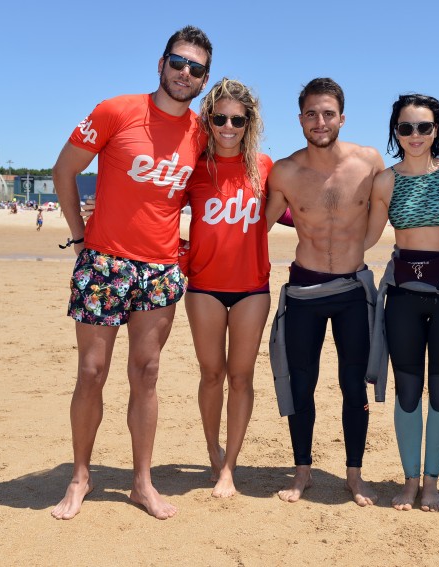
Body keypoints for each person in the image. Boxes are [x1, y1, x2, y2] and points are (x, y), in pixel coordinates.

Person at [50, 25, 212, 521]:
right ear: (161, 64)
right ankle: (80, 476)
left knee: (147, 372)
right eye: (178, 62)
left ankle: (142, 482)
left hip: (160, 269)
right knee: (91, 372)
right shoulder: (116, 111)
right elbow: (63, 170)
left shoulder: (202, 133)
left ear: (204, 79)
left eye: (196, 68)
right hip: (104, 262)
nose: (185, 73)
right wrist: (80, 237)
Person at [363, 94, 439, 512]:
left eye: (424, 127)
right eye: (406, 128)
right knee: (408, 389)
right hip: (403, 296)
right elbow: (367, 237)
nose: (415, 135)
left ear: (437, 131)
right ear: (396, 132)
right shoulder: (385, 181)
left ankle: (432, 482)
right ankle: (410, 481)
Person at [266, 78, 385, 506]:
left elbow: (402, 202)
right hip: (304, 292)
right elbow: (253, 224)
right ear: (300, 119)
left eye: (328, 113)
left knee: (354, 385)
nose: (320, 121)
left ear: (342, 118)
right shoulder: (285, 171)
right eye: (312, 114)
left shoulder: (369, 161)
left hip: (352, 289)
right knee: (302, 384)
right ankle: (302, 472)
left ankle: (354, 475)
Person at [183, 79, 273, 498]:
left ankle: (230, 468)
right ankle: (212, 450)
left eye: (238, 120)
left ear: (249, 122)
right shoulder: (195, 168)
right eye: (220, 118)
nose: (228, 127)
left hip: (252, 288)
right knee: (211, 374)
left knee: (240, 377)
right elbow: (156, 208)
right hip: (204, 287)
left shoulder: (264, 167)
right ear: (208, 120)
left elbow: (302, 208)